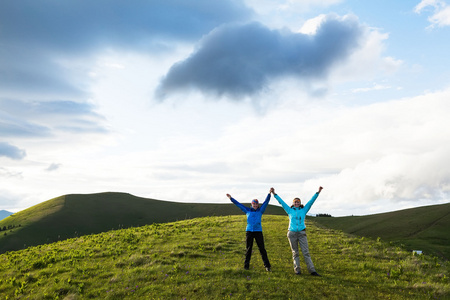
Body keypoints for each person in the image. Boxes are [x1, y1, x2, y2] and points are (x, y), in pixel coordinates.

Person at [271, 186, 323, 276]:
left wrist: (317, 192)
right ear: (293, 203)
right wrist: (274, 194)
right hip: (292, 233)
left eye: (298, 202)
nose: (296, 203)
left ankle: (312, 271)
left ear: (300, 203)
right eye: (295, 202)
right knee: (295, 253)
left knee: (306, 252)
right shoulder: (289, 210)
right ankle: (297, 270)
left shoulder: (304, 210)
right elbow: (281, 202)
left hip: (302, 233)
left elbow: (311, 202)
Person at [226, 190, 272, 271]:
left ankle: (267, 266)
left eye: (256, 204)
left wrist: (269, 193)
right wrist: (231, 198)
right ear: (251, 204)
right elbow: (238, 204)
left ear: (258, 205)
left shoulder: (260, 210)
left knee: (262, 249)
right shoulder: (247, 210)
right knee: (248, 249)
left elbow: (266, 202)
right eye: (254, 204)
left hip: (258, 232)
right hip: (249, 232)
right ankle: (246, 266)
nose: (255, 205)